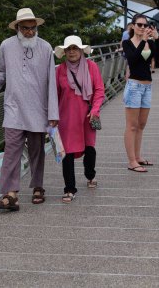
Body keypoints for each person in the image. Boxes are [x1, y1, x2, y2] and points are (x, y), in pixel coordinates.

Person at [0, 8, 59, 211]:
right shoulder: (6, 46)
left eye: (33, 28)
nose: (30, 32)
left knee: (37, 150)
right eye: (25, 28)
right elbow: (2, 73)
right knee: (11, 150)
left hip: (38, 107)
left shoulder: (46, 48)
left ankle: (38, 186)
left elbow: (51, 82)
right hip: (13, 106)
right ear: (17, 28)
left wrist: (53, 113)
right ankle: (10, 194)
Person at [54, 36, 105, 203]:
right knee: (67, 153)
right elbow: (54, 95)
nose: (72, 51)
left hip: (88, 116)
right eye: (69, 49)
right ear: (65, 52)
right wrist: (52, 117)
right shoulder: (60, 70)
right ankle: (69, 189)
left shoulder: (91, 67)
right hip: (67, 118)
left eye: (75, 48)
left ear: (81, 50)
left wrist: (95, 109)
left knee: (89, 149)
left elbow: (99, 90)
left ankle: (90, 174)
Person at [122, 14, 158, 172]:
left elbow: (157, 57)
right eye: (139, 24)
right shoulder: (127, 43)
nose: (143, 27)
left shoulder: (149, 42)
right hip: (134, 86)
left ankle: (138, 157)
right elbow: (133, 59)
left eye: (145, 25)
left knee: (141, 125)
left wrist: (155, 40)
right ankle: (131, 161)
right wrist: (143, 40)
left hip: (147, 86)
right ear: (133, 26)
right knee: (132, 126)